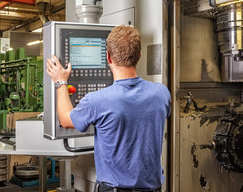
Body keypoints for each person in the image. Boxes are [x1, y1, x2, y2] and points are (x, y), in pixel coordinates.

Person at [46, 25, 171, 192]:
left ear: (108, 57)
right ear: (139, 56)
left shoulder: (97, 101)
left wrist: (60, 82)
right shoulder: (161, 93)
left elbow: (66, 120)